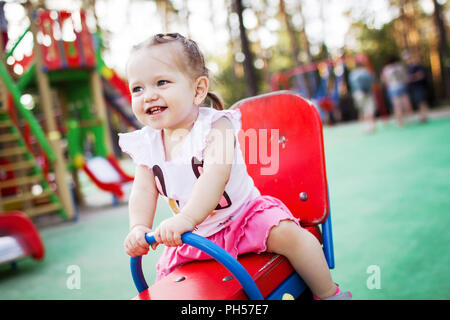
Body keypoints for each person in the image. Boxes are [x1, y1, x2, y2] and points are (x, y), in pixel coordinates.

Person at [119, 33, 351, 300]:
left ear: (198, 90)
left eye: (161, 82)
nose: (148, 96)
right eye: (138, 88)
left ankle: (329, 294)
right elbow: (143, 191)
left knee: (292, 237)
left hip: (243, 217)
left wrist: (185, 219)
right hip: (197, 236)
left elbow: (215, 176)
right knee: (168, 282)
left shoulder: (217, 126)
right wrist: (138, 227)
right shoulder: (146, 144)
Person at [381, 55, 413, 127]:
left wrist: (387, 85)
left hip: (392, 88)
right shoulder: (400, 66)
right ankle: (408, 118)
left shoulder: (386, 69)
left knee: (397, 106)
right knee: (406, 104)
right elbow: (406, 77)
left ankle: (399, 122)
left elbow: (384, 80)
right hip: (402, 86)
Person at [349, 61, 377, 132]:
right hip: (367, 92)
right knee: (369, 109)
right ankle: (372, 125)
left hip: (358, 93)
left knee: (362, 110)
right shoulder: (366, 72)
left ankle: (366, 126)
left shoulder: (353, 74)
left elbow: (352, 85)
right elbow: (372, 80)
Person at [403, 51, 430, 123]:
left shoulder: (416, 66)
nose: (407, 60)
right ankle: (423, 116)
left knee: (422, 101)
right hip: (414, 88)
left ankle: (424, 116)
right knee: (419, 102)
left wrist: (411, 78)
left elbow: (421, 75)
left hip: (419, 86)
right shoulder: (408, 67)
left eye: (408, 58)